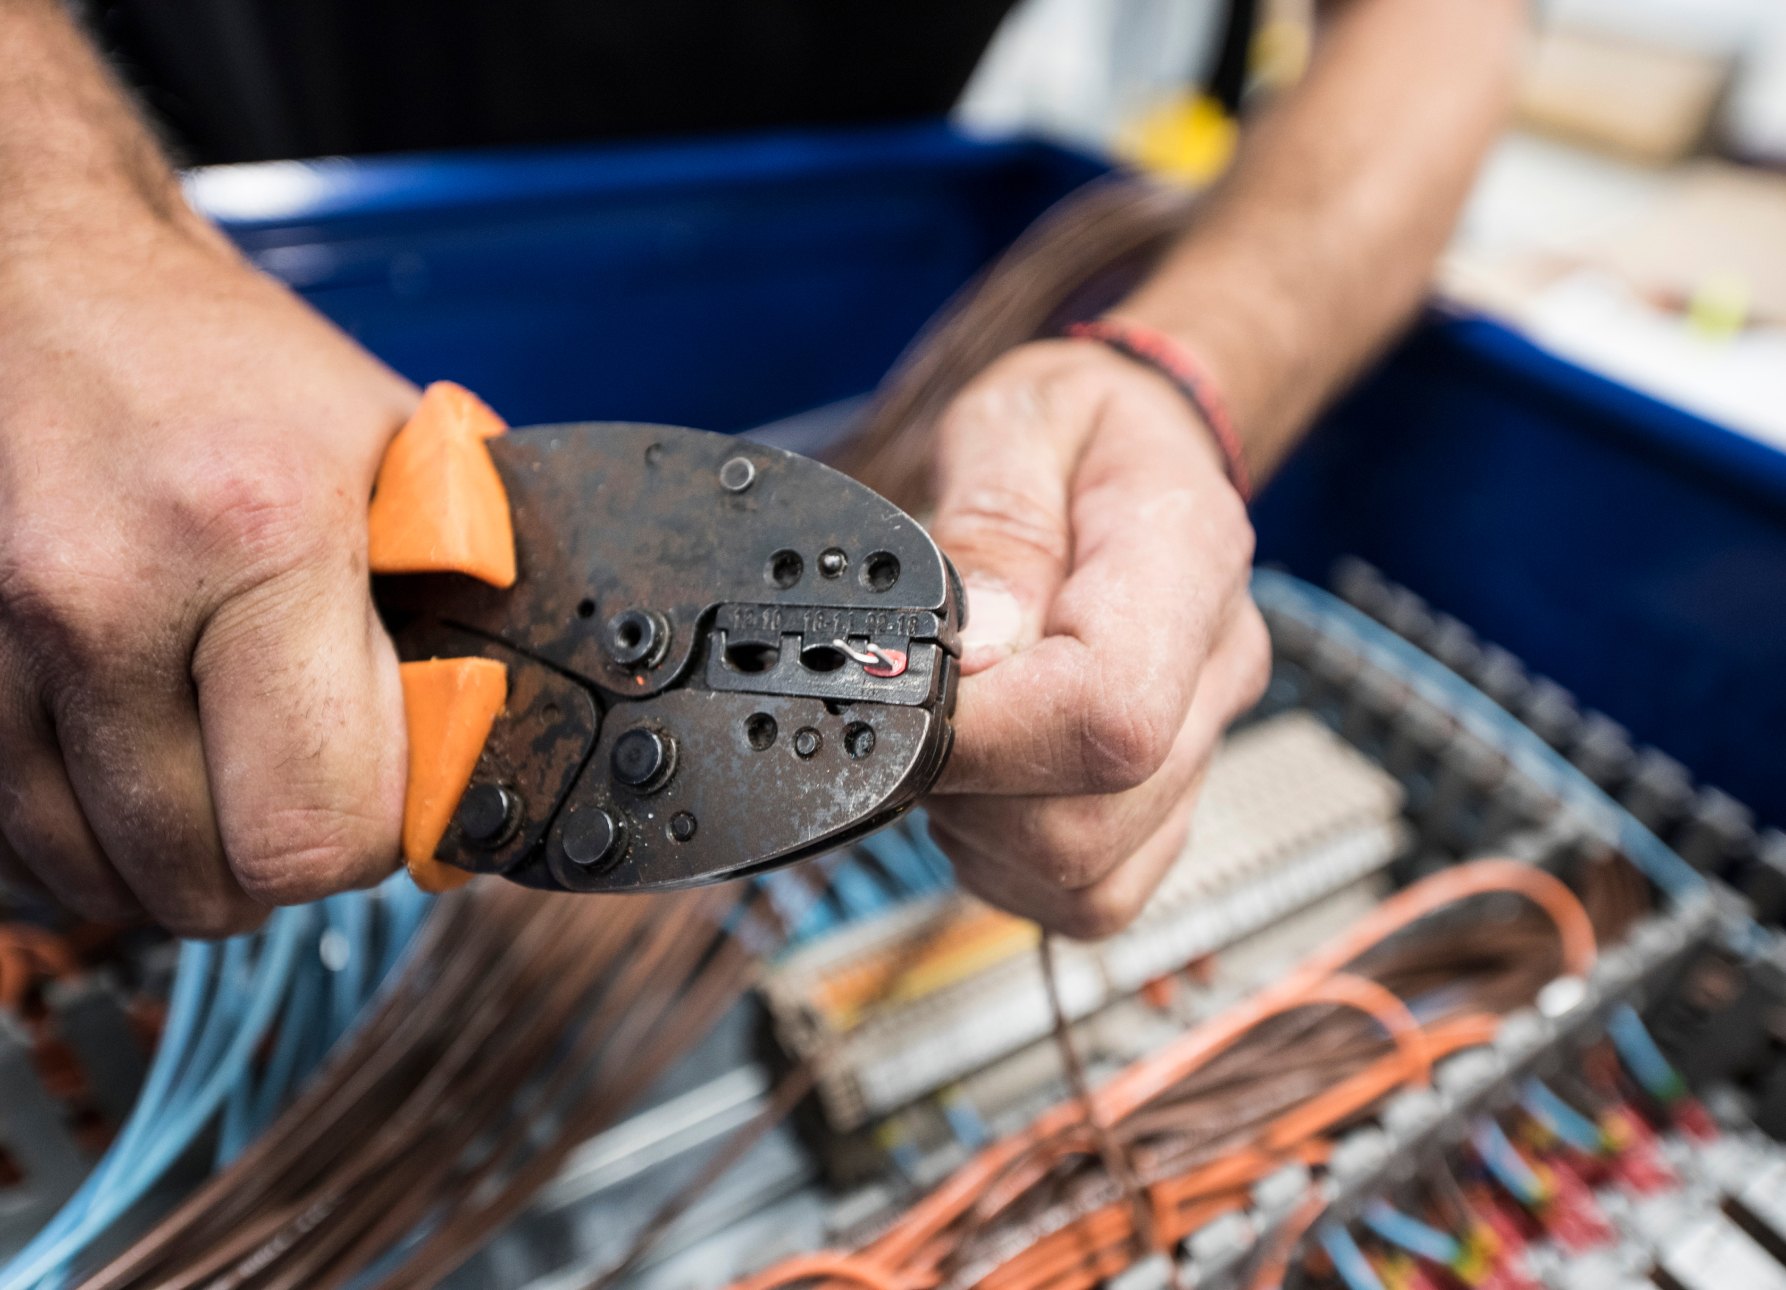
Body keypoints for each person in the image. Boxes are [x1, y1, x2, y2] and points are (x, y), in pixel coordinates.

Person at [0, 0, 1526, 938]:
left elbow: (1433, 19)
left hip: (807, 258)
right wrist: (56, 237)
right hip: (188, 291)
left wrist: (1181, 370)